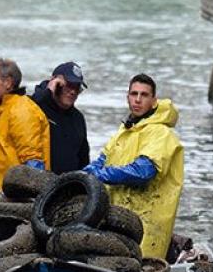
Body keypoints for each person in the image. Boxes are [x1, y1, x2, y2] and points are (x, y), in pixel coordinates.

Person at [84, 74, 183, 259]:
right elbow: (102, 160)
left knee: (138, 264)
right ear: (127, 97)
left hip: (147, 225)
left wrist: (100, 174)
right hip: (118, 219)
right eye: (133, 94)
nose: (137, 100)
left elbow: (144, 171)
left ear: (154, 101)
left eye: (144, 95)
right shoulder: (124, 131)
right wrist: (82, 175)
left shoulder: (161, 133)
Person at [0, 57, 50, 194]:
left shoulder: (21, 110)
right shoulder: (5, 108)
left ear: (8, 83)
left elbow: (33, 164)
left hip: (13, 201)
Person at [30, 61, 90, 173]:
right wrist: (49, 90)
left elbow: (83, 160)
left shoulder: (78, 118)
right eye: (68, 85)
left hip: (68, 186)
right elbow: (31, 107)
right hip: (38, 183)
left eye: (77, 87)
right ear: (55, 83)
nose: (73, 91)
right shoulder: (36, 107)